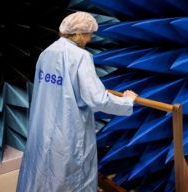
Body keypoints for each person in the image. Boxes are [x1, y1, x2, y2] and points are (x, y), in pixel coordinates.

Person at [17, 11, 137, 192]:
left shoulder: (47, 53)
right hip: (68, 131)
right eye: (89, 34)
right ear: (80, 33)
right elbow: (97, 99)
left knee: (42, 172)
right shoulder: (81, 57)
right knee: (71, 178)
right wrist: (127, 101)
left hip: (44, 126)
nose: (89, 40)